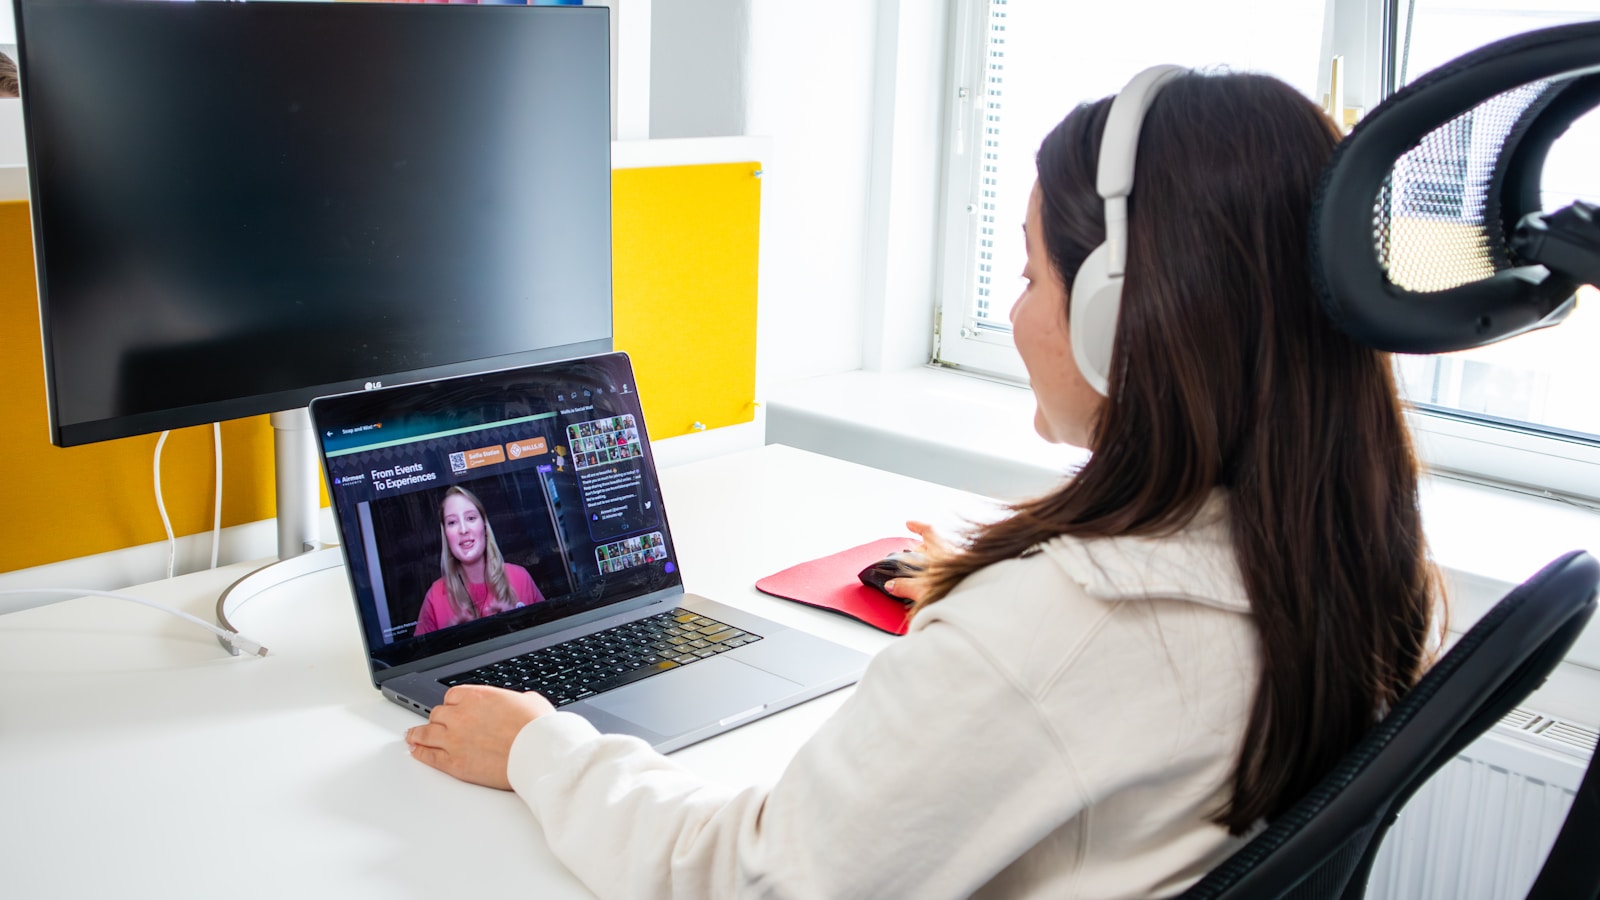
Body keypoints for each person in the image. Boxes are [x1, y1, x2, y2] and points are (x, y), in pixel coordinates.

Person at [403, 68, 1441, 898]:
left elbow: (757, 879)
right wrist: (997, 603)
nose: (1014, 303)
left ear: (1119, 314)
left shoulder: (1062, 628)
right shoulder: (1341, 549)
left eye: (1032, 272)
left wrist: (543, 749)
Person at [412, 485, 545, 636]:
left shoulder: (520, 577)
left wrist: (518, 624)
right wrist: (446, 642)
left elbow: (550, 636)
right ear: (446, 536)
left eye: (470, 518)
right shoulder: (434, 597)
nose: (463, 529)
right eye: (452, 522)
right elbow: (420, 657)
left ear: (484, 526)